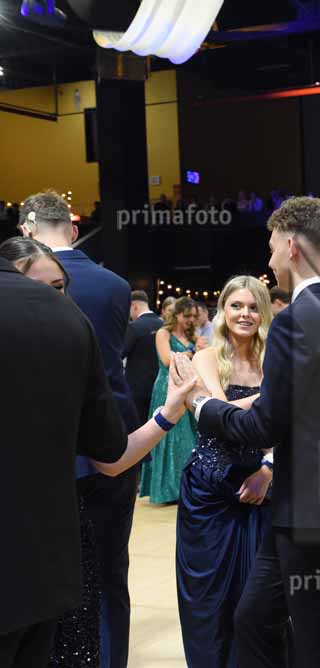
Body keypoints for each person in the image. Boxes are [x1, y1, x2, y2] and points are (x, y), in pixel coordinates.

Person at [183, 196, 320, 668]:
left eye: (272, 247)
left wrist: (204, 406)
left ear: (291, 246)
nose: (270, 260)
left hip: (311, 507)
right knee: (255, 618)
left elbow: (262, 425)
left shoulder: (295, 321)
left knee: (319, 639)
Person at [0, 237, 194, 668]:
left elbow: (112, 457)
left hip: (51, 562)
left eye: (60, 288)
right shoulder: (72, 331)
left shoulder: (72, 345)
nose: (54, 301)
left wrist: (168, 414)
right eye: (44, 289)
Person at [19, 191, 142, 668]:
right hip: (115, 442)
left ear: (27, 231)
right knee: (111, 573)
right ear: (72, 230)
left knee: (46, 577)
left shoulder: (18, 284)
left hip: (48, 452)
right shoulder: (115, 286)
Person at [177, 276, 273, 668]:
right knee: (209, 600)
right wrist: (275, 397)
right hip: (208, 493)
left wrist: (268, 468)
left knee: (258, 602)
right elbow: (219, 417)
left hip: (259, 488)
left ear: (263, 313)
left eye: (253, 307)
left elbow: (289, 426)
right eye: (236, 306)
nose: (245, 314)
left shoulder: (273, 361)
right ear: (223, 310)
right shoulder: (205, 358)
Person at [139, 297, 199, 504]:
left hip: (190, 388)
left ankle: (188, 488)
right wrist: (194, 352)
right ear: (177, 314)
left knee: (189, 438)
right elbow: (167, 360)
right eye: (187, 315)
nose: (191, 320)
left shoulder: (193, 336)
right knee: (170, 437)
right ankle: (168, 490)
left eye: (194, 316)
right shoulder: (163, 333)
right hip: (168, 389)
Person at [124, 291, 164, 419]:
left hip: (137, 388)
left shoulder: (134, 327)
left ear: (134, 306)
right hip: (160, 385)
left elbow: (121, 352)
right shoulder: (163, 325)